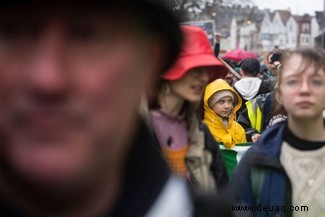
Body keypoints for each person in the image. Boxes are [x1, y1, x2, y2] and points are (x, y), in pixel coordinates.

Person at [0, 1, 234, 217]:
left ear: (149, 64)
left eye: (89, 35)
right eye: (14, 31)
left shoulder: (201, 141)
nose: (47, 79)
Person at [231, 48, 325, 217]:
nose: (304, 89)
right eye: (293, 82)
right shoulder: (256, 162)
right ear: (279, 94)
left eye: (316, 81)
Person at [147, 25, 228, 192]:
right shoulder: (129, 130)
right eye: (195, 69)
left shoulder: (200, 132)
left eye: (206, 70)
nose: (204, 77)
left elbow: (222, 193)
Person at [203, 79, 249, 177]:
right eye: (221, 102)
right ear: (210, 105)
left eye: (230, 101)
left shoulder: (238, 128)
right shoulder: (202, 129)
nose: (227, 106)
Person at [234, 58, 276, 142]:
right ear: (258, 73)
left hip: (239, 129)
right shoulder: (267, 85)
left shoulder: (233, 88)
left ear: (241, 71)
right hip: (263, 131)